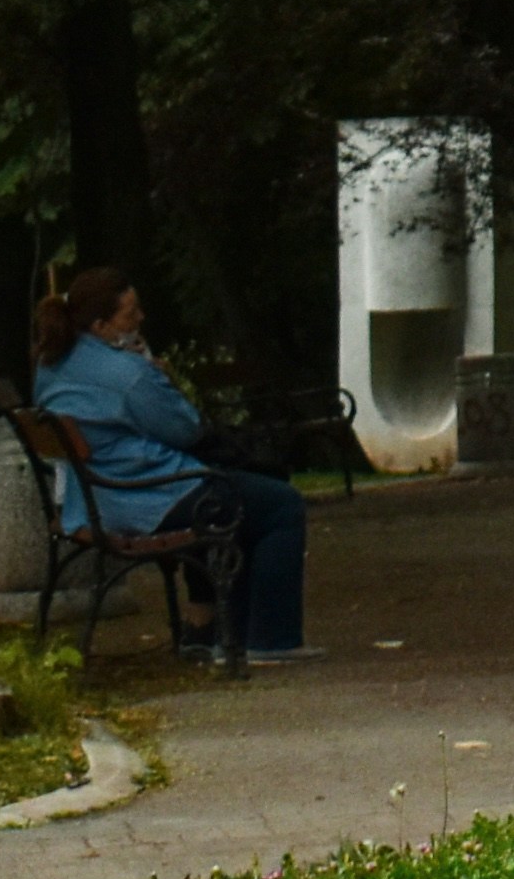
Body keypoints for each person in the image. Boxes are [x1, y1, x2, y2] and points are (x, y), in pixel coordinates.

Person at [26, 267, 309, 658]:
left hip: (92, 501)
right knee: (280, 505)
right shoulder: (127, 373)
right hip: (147, 496)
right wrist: (161, 378)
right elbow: (186, 430)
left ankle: (232, 637)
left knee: (246, 500)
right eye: (130, 314)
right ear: (101, 326)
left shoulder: (52, 364)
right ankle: (270, 641)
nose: (141, 318)